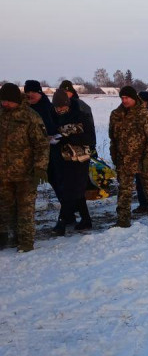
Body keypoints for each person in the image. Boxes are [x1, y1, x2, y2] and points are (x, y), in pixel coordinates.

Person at [0, 82, 49, 252]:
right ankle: (9, 237)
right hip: (3, 174)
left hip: (26, 173)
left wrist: (40, 168)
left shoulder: (30, 117)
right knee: (5, 207)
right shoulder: (1, 115)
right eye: (2, 101)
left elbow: (42, 144)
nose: (5, 104)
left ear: (16, 100)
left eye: (8, 101)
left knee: (25, 209)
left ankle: (26, 242)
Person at [108, 86, 148, 228]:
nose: (124, 100)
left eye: (127, 98)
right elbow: (113, 138)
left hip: (144, 159)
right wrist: (114, 154)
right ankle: (123, 220)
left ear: (134, 98)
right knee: (124, 191)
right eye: (122, 98)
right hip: (124, 160)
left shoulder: (145, 114)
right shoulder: (116, 115)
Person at [50, 88, 93, 234]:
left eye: (62, 106)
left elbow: (90, 138)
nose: (59, 110)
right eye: (57, 107)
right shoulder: (53, 117)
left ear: (67, 104)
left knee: (71, 190)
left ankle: (61, 223)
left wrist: (67, 139)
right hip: (60, 160)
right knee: (76, 190)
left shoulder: (80, 116)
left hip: (79, 159)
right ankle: (86, 219)